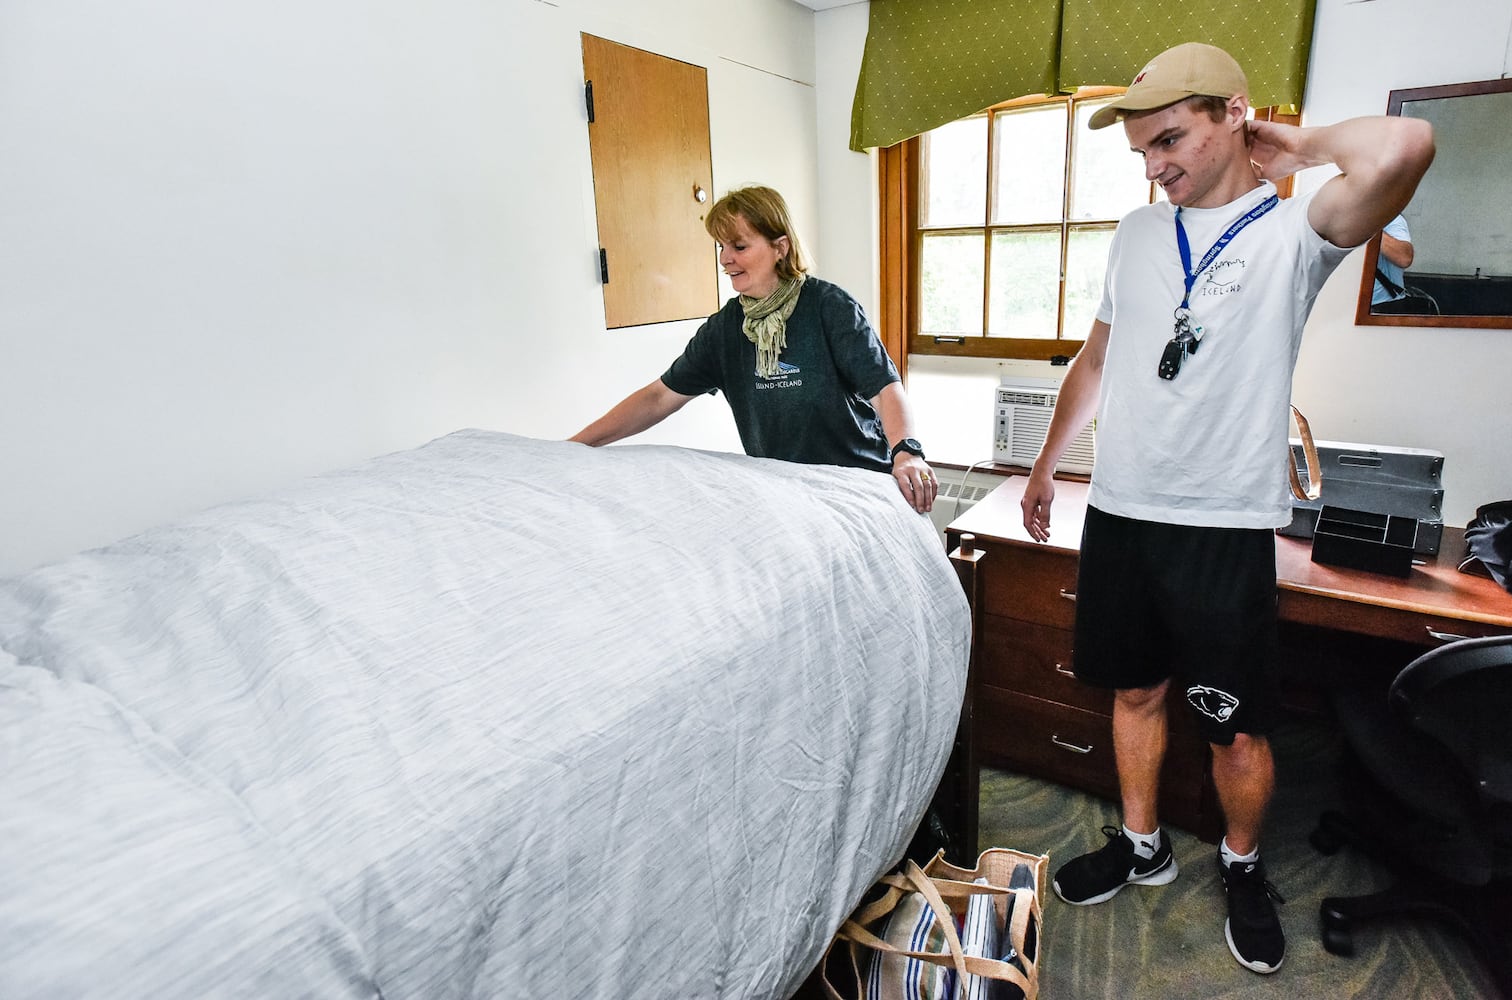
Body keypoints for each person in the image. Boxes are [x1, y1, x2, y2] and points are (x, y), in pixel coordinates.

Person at [1018, 42, 1434, 975]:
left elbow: (1405, 146)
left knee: (1234, 723)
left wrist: (1304, 142)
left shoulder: (1296, 232)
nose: (1155, 166)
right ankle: (1142, 846)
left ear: (1233, 114)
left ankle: (1241, 865)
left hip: (1224, 524)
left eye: (1169, 139)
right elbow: (1097, 361)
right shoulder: (1134, 235)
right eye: (1141, 152)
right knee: (1134, 689)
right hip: (1124, 509)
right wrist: (1050, 466)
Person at [571, 185, 937, 513]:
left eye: (739, 246)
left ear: (780, 247)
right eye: (721, 247)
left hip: (856, 479)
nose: (724, 259)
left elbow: (885, 389)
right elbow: (657, 397)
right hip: (784, 489)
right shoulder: (724, 329)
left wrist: (907, 452)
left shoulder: (829, 307)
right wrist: (575, 447)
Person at [1371, 214, 1415, 306]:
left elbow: (1404, 258)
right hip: (1344, 300)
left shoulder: (1392, 219)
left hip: (1382, 303)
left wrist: (1366, 226)